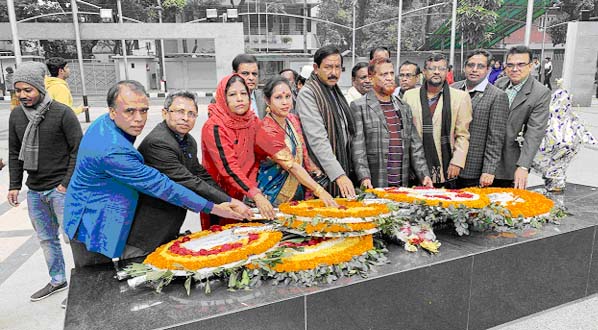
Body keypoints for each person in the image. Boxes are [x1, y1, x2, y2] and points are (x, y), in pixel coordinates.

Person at [63, 80, 243, 268]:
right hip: (93, 221)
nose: (139, 118)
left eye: (144, 110)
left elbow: (196, 173)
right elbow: (163, 186)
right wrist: (212, 207)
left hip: (105, 208)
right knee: (96, 284)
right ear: (112, 111)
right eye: (130, 111)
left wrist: (227, 199)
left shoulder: (108, 124)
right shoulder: (113, 150)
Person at [127, 91, 252, 254]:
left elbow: (200, 174)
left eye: (191, 114)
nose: (186, 118)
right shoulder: (158, 143)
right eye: (180, 112)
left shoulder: (187, 140)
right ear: (165, 113)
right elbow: (189, 181)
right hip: (148, 230)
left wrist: (230, 200)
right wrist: (229, 201)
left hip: (170, 224)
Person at [8, 62, 83, 301]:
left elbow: (78, 150)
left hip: (60, 189)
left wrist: (65, 184)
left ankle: (84, 287)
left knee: (73, 239)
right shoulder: (17, 115)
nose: (22, 95)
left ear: (39, 87)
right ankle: (57, 280)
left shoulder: (62, 113)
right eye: (18, 90)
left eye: (27, 90)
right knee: (46, 239)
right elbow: (14, 151)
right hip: (35, 190)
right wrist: (15, 184)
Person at [202, 74, 276, 220]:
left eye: (243, 93)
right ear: (223, 98)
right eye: (232, 94)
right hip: (223, 197)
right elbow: (228, 168)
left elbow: (261, 154)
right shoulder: (215, 126)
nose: (239, 98)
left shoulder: (252, 121)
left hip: (248, 192)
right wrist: (256, 194)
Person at [351, 57, 433, 189]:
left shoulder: (403, 107)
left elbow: (415, 145)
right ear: (371, 78)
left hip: (402, 183)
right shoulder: (359, 106)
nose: (389, 78)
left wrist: (424, 175)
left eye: (391, 73)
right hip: (375, 182)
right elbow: (358, 148)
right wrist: (364, 177)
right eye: (384, 74)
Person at [255, 77, 337, 206]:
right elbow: (292, 166)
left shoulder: (292, 120)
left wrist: (315, 169)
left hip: (297, 192)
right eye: (278, 97)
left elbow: (301, 152)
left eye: (288, 96)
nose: (285, 102)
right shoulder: (266, 130)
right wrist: (319, 191)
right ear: (267, 100)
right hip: (272, 197)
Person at [295, 45, 357, 199]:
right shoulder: (309, 93)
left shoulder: (334, 91)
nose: (334, 73)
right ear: (316, 68)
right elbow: (317, 139)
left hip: (341, 166)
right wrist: (338, 175)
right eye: (328, 67)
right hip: (320, 174)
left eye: (337, 67)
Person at [403, 53, 472, 188]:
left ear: (447, 72)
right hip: (414, 164)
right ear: (424, 72)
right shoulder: (409, 96)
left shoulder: (460, 97)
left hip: (445, 162)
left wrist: (457, 161)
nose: (436, 72)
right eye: (432, 68)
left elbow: (463, 134)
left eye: (441, 68)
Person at [494, 45, 550, 189]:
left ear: (530, 66)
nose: (514, 69)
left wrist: (523, 166)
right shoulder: (500, 84)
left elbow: (535, 132)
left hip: (511, 163)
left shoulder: (540, 93)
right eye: (510, 65)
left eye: (521, 64)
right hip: (488, 160)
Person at [451, 49, 509, 188]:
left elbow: (495, 138)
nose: (474, 70)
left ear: (488, 69)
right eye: (471, 65)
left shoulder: (497, 96)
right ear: (465, 67)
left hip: (474, 169)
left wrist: (488, 170)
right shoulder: (453, 89)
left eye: (480, 66)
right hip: (449, 165)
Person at [232, 54, 268, 118]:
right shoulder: (223, 99)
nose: (251, 78)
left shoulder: (264, 97)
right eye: (245, 73)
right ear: (234, 74)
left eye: (254, 74)